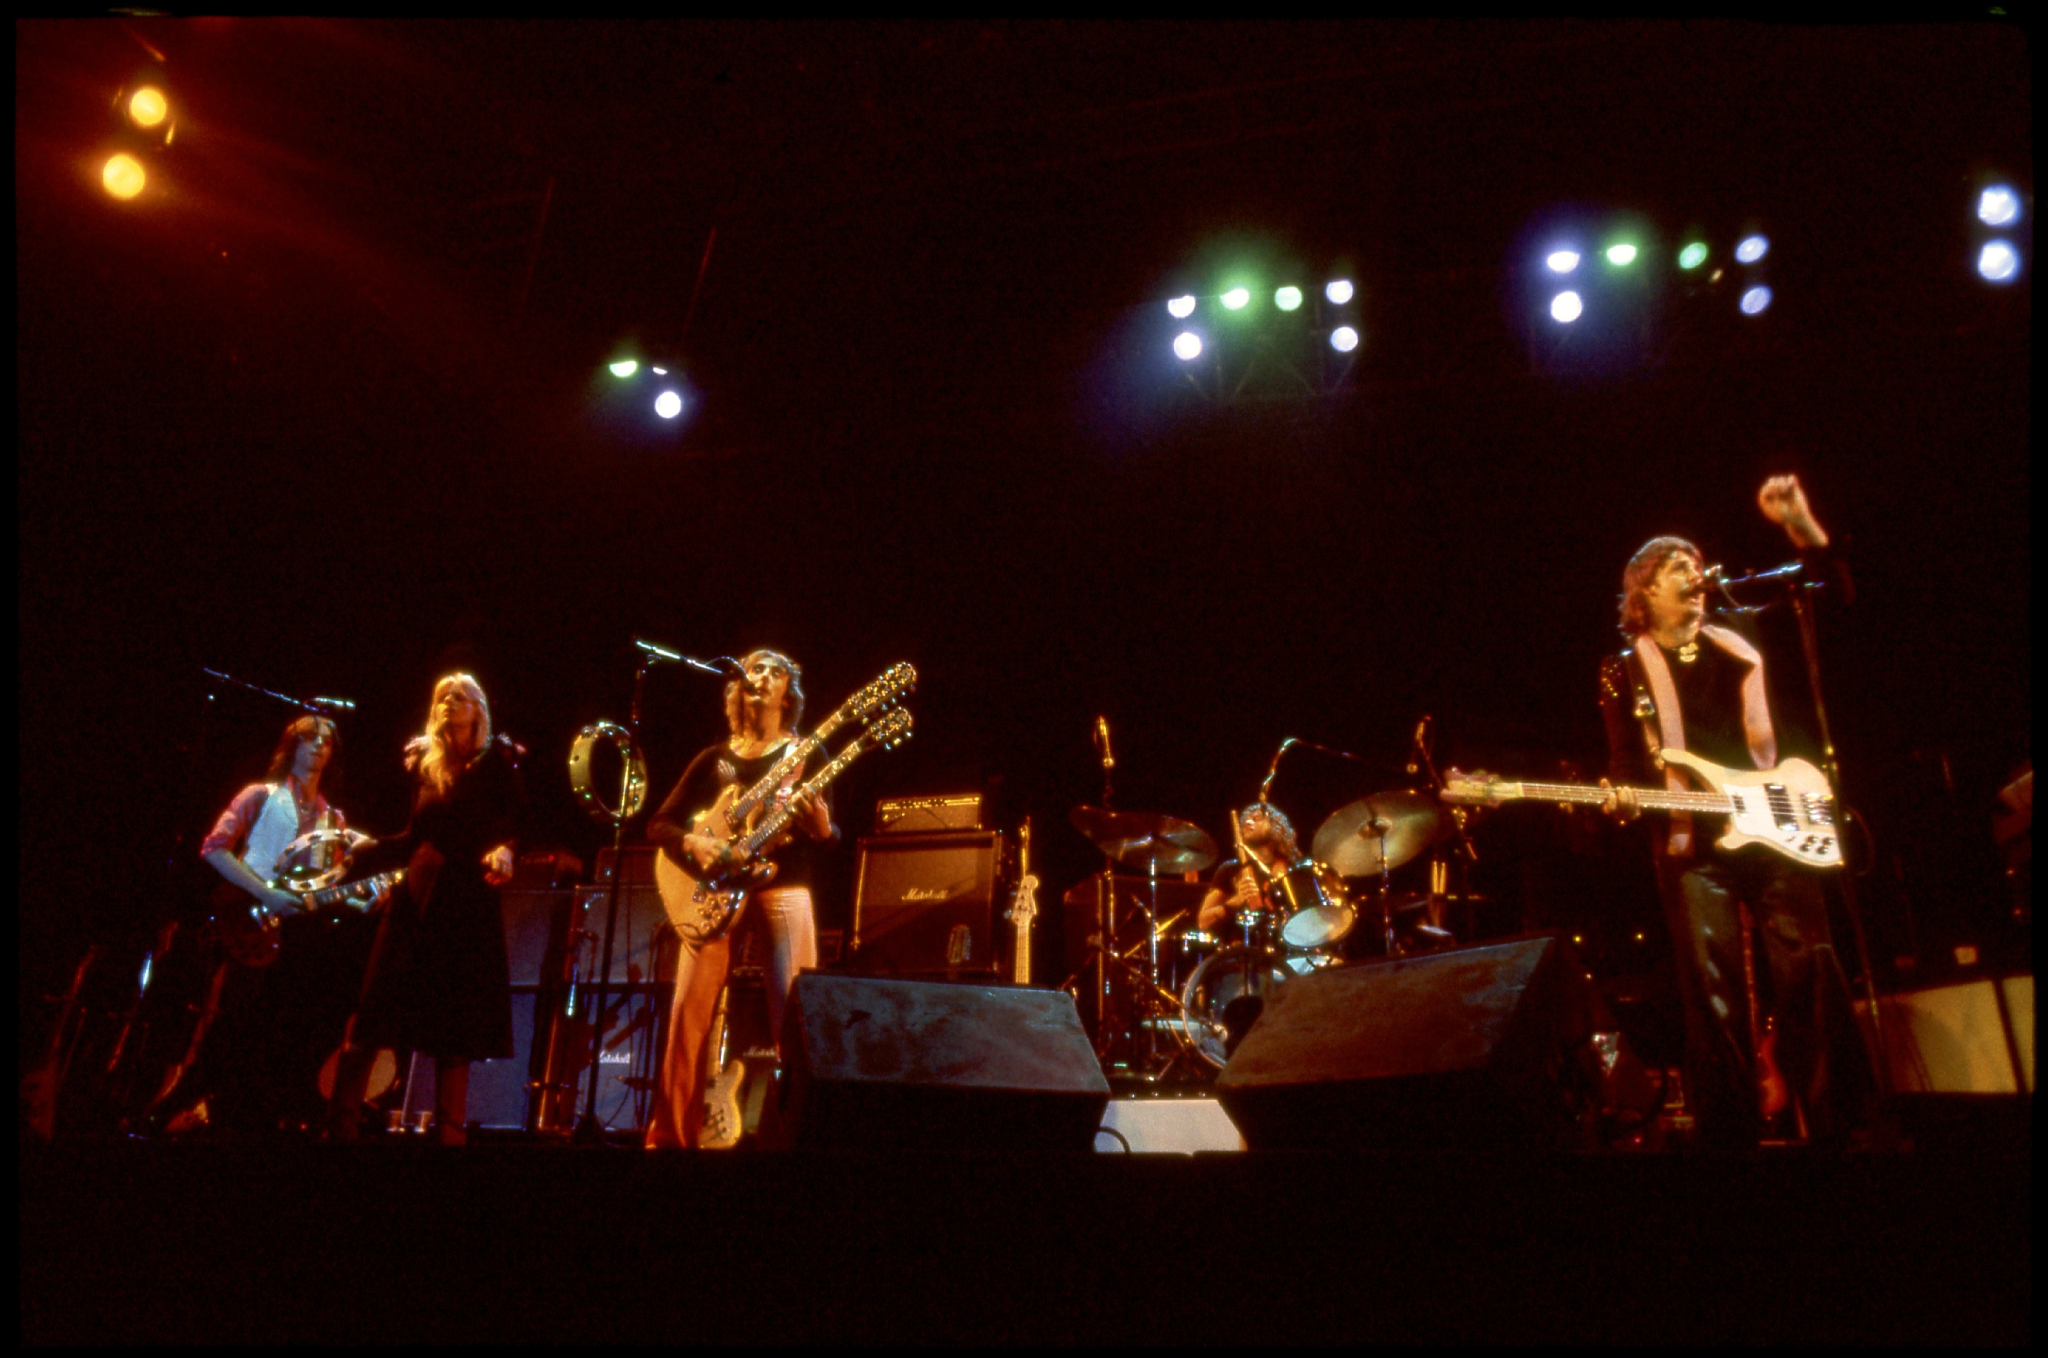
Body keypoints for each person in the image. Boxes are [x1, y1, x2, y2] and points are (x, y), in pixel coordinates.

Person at [1599, 475, 1874, 1146]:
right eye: (1674, 566)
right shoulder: (1623, 670)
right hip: (1693, 843)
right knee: (1713, 996)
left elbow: (1830, 590)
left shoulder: (1742, 632)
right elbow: (1627, 762)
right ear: (1644, 592)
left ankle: (1848, 1134)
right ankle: (1731, 1147)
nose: (1692, 573)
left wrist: (1800, 524)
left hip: (1775, 822)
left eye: (1693, 562)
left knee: (1812, 968)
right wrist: (1622, 800)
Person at [644, 650, 835, 1150]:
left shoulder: (805, 753)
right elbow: (659, 824)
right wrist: (695, 844)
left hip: (783, 882)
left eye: (776, 671)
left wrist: (822, 827)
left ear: (788, 695)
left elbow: (829, 833)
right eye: (754, 668)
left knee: (795, 1018)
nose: (762, 676)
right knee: (687, 1016)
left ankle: (797, 1139)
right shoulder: (715, 759)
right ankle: (668, 1139)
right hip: (713, 892)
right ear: (736, 688)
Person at [326, 674, 524, 1144]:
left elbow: (516, 823)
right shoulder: (425, 764)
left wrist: (506, 849)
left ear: (478, 709)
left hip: (466, 900)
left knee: (454, 1025)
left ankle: (450, 1132)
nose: (450, 702)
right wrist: (366, 846)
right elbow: (414, 836)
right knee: (374, 1012)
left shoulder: (498, 762)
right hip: (418, 893)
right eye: (442, 697)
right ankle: (340, 1125)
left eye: (460, 697)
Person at [145, 714, 349, 1133]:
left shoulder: (333, 820)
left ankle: (233, 1116)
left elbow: (322, 888)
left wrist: (360, 897)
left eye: (327, 741)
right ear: (291, 745)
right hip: (246, 928)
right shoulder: (259, 795)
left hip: (293, 945)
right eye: (309, 738)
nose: (319, 746)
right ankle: (176, 1105)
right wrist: (265, 893)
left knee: (269, 1039)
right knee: (230, 1025)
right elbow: (214, 849)